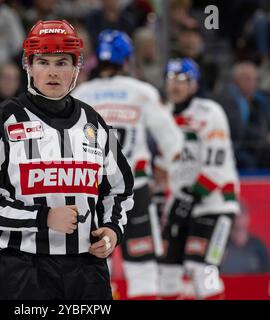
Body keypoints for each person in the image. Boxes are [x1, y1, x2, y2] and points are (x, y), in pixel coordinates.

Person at [0, 19, 134, 300]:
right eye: (43, 62)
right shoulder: (4, 120)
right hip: (24, 270)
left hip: (88, 270)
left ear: (76, 68)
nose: (52, 72)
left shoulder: (94, 122)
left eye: (62, 63)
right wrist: (42, 218)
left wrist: (113, 229)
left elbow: (119, 188)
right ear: (28, 66)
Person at [72, 30, 183, 299]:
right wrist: (163, 168)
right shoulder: (142, 92)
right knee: (142, 269)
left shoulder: (81, 94)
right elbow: (174, 143)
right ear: (127, 60)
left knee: (95, 268)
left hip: (92, 194)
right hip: (135, 191)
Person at [158, 58, 240, 300]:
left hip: (215, 205)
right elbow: (163, 165)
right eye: (171, 79)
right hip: (181, 206)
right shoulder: (163, 116)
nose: (175, 85)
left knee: (203, 271)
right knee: (166, 275)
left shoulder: (209, 111)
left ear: (194, 85)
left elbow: (217, 165)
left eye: (183, 80)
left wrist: (191, 197)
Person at [221, 202, 270, 274]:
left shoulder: (258, 245)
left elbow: (266, 274)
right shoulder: (222, 245)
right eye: (236, 215)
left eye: (242, 214)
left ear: (247, 217)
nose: (239, 218)